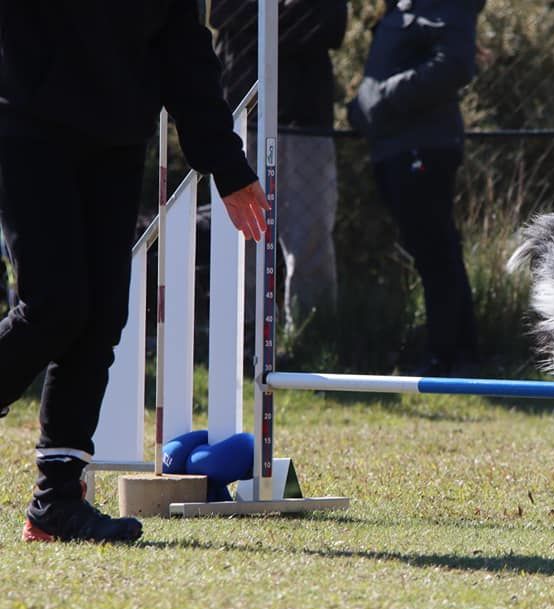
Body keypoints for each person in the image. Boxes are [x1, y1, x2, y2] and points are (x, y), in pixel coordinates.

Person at [0, 2, 268, 543]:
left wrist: (227, 163)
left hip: (116, 141)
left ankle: (56, 503)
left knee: (100, 319)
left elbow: (185, 52)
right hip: (25, 126)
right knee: (53, 307)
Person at [348, 0, 486, 376]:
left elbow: (455, 64)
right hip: (392, 148)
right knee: (434, 253)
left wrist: (385, 94)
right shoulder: (402, 9)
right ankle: (459, 354)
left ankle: (447, 357)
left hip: (422, 148)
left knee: (437, 254)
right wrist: (360, 107)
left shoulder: (446, 7)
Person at [211, 0, 348, 342]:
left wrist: (268, 21)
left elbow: (328, 24)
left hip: (306, 119)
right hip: (245, 115)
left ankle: (310, 338)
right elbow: (226, 16)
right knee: (245, 232)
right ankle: (245, 336)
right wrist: (284, 13)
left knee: (311, 234)